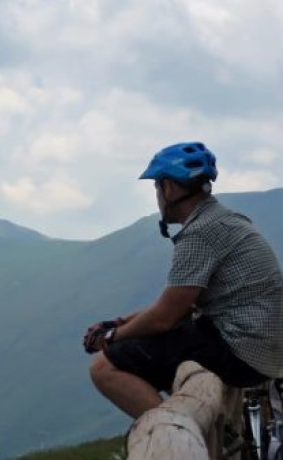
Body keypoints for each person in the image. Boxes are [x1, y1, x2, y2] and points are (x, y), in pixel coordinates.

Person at [84, 141, 283, 419]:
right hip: (258, 349)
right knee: (155, 345)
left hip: (238, 350)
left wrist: (111, 337)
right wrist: (122, 323)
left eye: (156, 187)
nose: (157, 195)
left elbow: (164, 317)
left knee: (104, 368)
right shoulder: (226, 220)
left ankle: (180, 434)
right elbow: (180, 306)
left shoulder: (200, 233)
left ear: (169, 188)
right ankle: (201, 430)